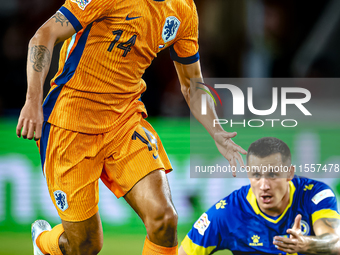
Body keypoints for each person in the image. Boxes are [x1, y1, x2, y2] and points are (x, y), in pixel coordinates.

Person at [16, 0, 247, 254]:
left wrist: (216, 131)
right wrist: (32, 101)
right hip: (70, 122)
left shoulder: (184, 10)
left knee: (164, 218)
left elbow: (192, 83)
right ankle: (44, 243)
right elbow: (44, 35)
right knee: (85, 245)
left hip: (123, 121)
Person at [179, 137, 340, 255]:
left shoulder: (314, 195)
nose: (264, 186)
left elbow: (336, 242)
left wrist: (306, 244)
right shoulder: (227, 213)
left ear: (289, 173)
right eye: (256, 175)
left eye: (272, 175)